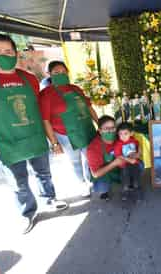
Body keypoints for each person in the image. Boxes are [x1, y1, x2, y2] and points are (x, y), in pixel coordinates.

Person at [0, 34, 68, 234]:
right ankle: (27, 213)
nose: (4, 55)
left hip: (34, 136)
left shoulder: (28, 78)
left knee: (44, 173)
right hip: (7, 143)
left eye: (8, 51)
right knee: (18, 182)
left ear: (15, 53)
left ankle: (49, 199)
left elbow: (38, 107)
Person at [39, 60, 98, 197]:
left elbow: (89, 108)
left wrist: (99, 124)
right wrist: (54, 143)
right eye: (57, 72)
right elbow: (45, 121)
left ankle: (91, 180)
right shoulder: (46, 94)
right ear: (49, 74)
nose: (61, 74)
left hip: (86, 129)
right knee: (75, 161)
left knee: (90, 157)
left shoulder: (76, 89)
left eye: (64, 72)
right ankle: (82, 183)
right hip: (65, 135)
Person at [87, 115, 125, 201]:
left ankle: (127, 182)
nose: (110, 131)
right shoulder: (93, 148)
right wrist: (114, 163)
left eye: (112, 128)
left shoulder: (120, 137)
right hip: (102, 172)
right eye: (106, 128)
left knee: (139, 165)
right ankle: (104, 190)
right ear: (100, 131)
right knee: (102, 189)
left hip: (118, 168)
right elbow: (95, 174)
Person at [114, 122, 142, 201]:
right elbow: (118, 155)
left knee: (136, 180)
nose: (123, 136)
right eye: (120, 134)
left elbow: (138, 144)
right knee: (125, 181)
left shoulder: (133, 140)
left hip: (134, 163)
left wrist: (139, 152)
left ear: (131, 133)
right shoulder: (118, 144)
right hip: (124, 165)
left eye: (125, 133)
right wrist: (129, 159)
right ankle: (125, 193)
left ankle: (137, 193)